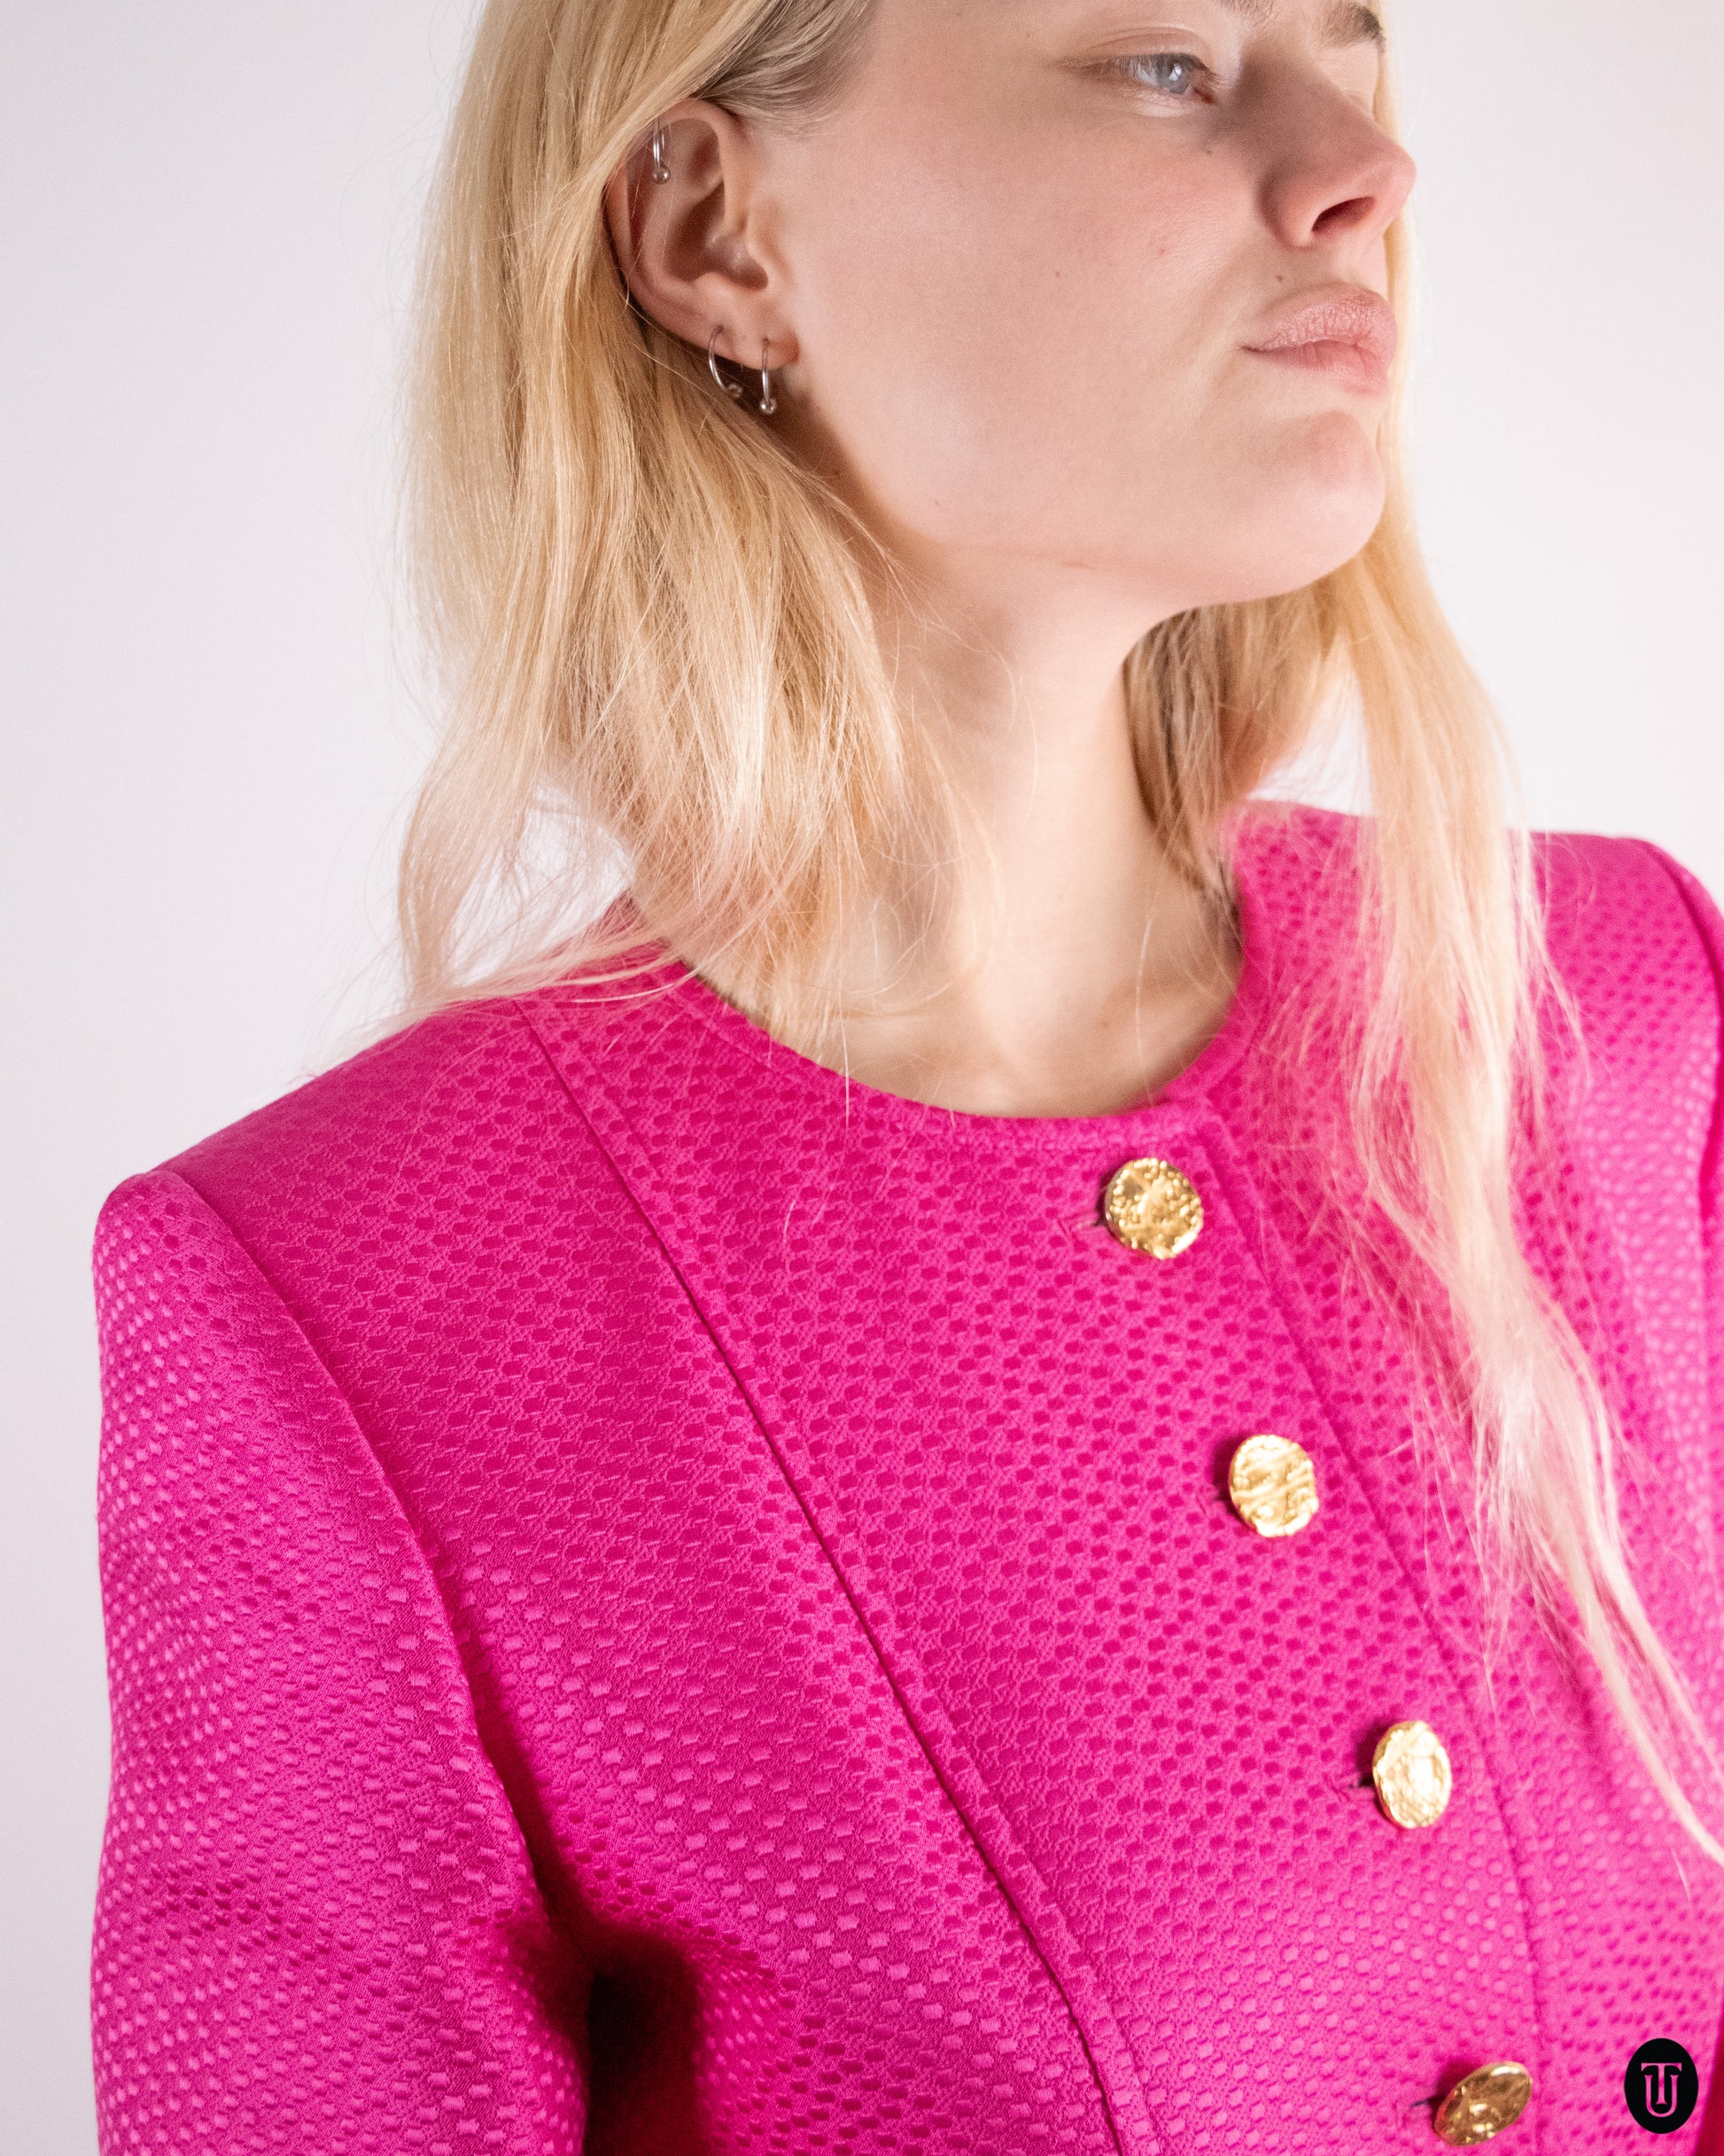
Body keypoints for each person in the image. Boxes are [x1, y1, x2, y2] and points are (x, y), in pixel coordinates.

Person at [90, 0, 1724, 2148]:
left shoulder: (1615, 1003)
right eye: (1163, 60)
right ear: (715, 233)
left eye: (1355, 54)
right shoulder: (355, 1296)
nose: (1364, 170)